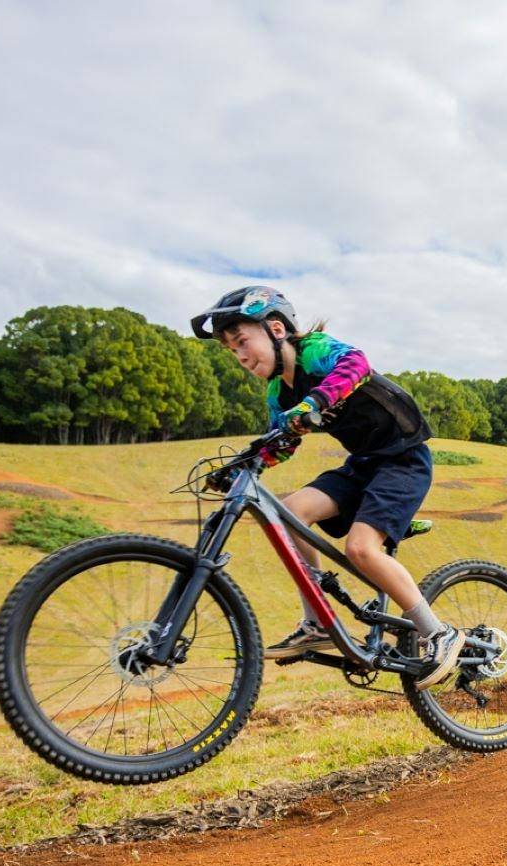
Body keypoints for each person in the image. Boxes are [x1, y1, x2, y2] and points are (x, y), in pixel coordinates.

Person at [191, 286, 464, 687]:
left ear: (277, 328)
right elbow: (280, 444)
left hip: (404, 460)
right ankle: (318, 623)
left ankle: (438, 633)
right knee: (289, 513)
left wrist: (314, 402)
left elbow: (356, 365)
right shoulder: (277, 392)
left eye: (243, 342)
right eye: (232, 351)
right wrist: (242, 467)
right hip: (363, 465)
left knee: (360, 548)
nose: (241, 357)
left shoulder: (314, 350)